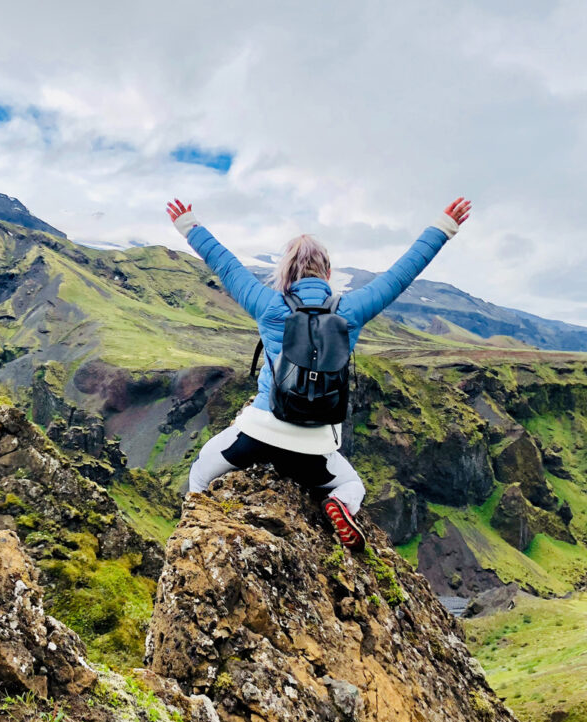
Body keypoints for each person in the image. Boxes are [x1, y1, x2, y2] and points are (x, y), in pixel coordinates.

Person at [167, 196, 471, 550]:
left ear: (286, 274)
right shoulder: (351, 310)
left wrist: (189, 226)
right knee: (352, 485)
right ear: (327, 274)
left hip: (258, 436)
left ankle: (196, 541)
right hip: (313, 449)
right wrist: (444, 227)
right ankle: (339, 505)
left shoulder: (267, 305)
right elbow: (401, 274)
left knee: (201, 473)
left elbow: (226, 265)